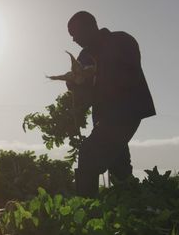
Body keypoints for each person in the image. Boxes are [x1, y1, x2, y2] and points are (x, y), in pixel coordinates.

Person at [66, 11, 155, 197]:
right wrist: (74, 84)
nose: (74, 39)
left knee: (89, 154)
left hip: (126, 112)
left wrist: (95, 76)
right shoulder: (84, 55)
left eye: (75, 33)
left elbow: (130, 74)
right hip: (104, 117)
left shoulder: (122, 41)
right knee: (119, 166)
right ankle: (137, 207)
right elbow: (85, 91)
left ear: (90, 26)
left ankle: (86, 210)